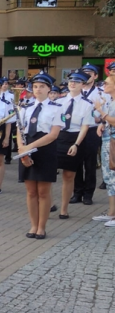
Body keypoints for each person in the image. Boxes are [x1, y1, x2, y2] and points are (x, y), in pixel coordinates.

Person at [16, 72, 63, 239]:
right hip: (27, 148)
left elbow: (53, 135)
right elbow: (19, 131)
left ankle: (42, 227)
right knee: (30, 192)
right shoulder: (25, 108)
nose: (38, 89)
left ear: (49, 89)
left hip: (45, 148)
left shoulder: (57, 108)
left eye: (42, 86)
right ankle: (33, 225)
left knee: (43, 191)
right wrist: (22, 150)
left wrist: (30, 147)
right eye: (35, 86)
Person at [56, 71, 94, 219]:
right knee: (49, 173)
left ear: (82, 85)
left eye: (77, 82)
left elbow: (85, 127)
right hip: (58, 137)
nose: (72, 84)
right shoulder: (59, 102)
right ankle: (50, 203)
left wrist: (76, 144)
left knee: (69, 175)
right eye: (71, 81)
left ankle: (64, 209)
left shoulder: (86, 105)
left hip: (75, 138)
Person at [71, 63, 105, 205]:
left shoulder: (100, 93)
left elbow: (106, 112)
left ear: (96, 76)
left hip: (92, 129)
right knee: (75, 163)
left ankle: (88, 194)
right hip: (75, 130)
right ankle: (77, 192)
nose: (87, 76)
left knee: (90, 163)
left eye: (90, 73)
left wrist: (100, 117)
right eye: (84, 73)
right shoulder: (75, 92)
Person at [93, 75, 115, 225]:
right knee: (108, 177)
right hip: (108, 140)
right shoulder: (111, 101)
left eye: (107, 82)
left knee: (114, 177)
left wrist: (102, 112)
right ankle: (111, 212)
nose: (104, 85)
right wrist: (102, 123)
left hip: (113, 142)